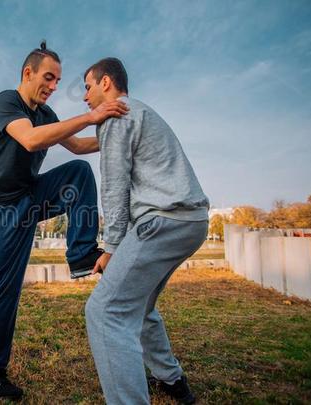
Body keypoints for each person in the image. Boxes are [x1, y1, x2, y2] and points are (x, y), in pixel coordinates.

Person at [0, 42, 128, 400]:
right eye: (48, 78)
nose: (54, 86)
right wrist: (90, 116)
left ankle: (81, 255)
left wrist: (118, 131)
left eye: (58, 80)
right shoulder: (6, 102)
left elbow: (77, 146)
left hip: (27, 198)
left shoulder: (47, 113)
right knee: (6, 294)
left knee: (78, 173)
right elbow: (29, 140)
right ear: (28, 73)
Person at [82, 57, 209, 405]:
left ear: (106, 83)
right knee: (140, 303)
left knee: (105, 311)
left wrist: (110, 247)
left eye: (88, 86)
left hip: (162, 221)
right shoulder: (140, 112)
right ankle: (171, 379)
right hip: (192, 223)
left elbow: (114, 186)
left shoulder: (116, 115)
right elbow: (79, 146)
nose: (84, 96)